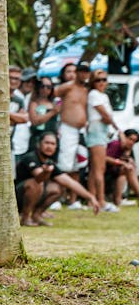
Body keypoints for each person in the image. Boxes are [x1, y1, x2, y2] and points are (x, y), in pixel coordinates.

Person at [16, 131, 101, 226]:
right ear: (39, 144)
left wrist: (91, 197)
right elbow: (38, 178)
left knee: (58, 188)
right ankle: (25, 218)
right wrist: (46, 172)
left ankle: (37, 215)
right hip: (17, 198)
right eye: (46, 143)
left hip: (36, 195)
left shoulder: (50, 162)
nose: (49, 146)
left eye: (53, 144)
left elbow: (70, 183)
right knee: (35, 184)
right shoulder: (30, 157)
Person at [87, 69, 121, 211]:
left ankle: (92, 199)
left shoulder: (103, 96)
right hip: (96, 131)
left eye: (104, 79)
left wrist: (107, 121)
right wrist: (107, 121)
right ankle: (100, 201)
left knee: (96, 168)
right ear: (93, 82)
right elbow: (106, 116)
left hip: (101, 131)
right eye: (98, 80)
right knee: (99, 168)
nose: (101, 83)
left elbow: (107, 118)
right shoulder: (94, 94)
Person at [54, 62, 90, 181]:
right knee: (65, 163)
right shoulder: (67, 87)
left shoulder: (86, 89)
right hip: (67, 128)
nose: (83, 74)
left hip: (81, 130)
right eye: (81, 71)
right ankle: (61, 195)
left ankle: (72, 199)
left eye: (86, 72)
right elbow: (51, 95)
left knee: (78, 164)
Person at [105, 129, 139, 209]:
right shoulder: (116, 144)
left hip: (113, 173)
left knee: (126, 170)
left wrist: (127, 157)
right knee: (127, 169)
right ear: (124, 137)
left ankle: (118, 200)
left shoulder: (126, 148)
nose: (132, 142)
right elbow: (104, 158)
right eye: (130, 139)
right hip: (103, 173)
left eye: (134, 141)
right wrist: (122, 163)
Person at [28, 75, 60, 152]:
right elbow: (35, 121)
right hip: (37, 139)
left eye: (48, 87)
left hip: (52, 139)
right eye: (42, 86)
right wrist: (52, 112)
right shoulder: (34, 103)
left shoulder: (54, 103)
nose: (45, 89)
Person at [9, 66, 33, 160]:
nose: (14, 81)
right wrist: (15, 117)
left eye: (17, 79)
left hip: (9, 143)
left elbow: (24, 119)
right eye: (11, 78)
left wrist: (4, 113)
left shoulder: (19, 100)